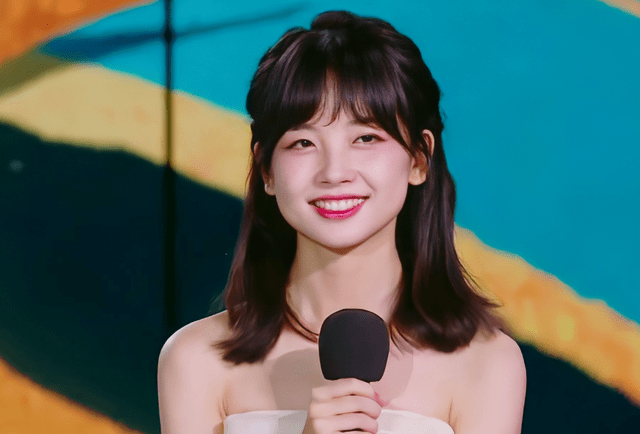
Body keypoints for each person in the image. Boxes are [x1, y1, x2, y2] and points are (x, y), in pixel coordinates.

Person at [158, 10, 526, 434]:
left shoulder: (485, 363)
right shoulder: (197, 358)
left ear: (419, 159)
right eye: (303, 142)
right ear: (266, 170)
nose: (334, 173)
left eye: (365, 138)